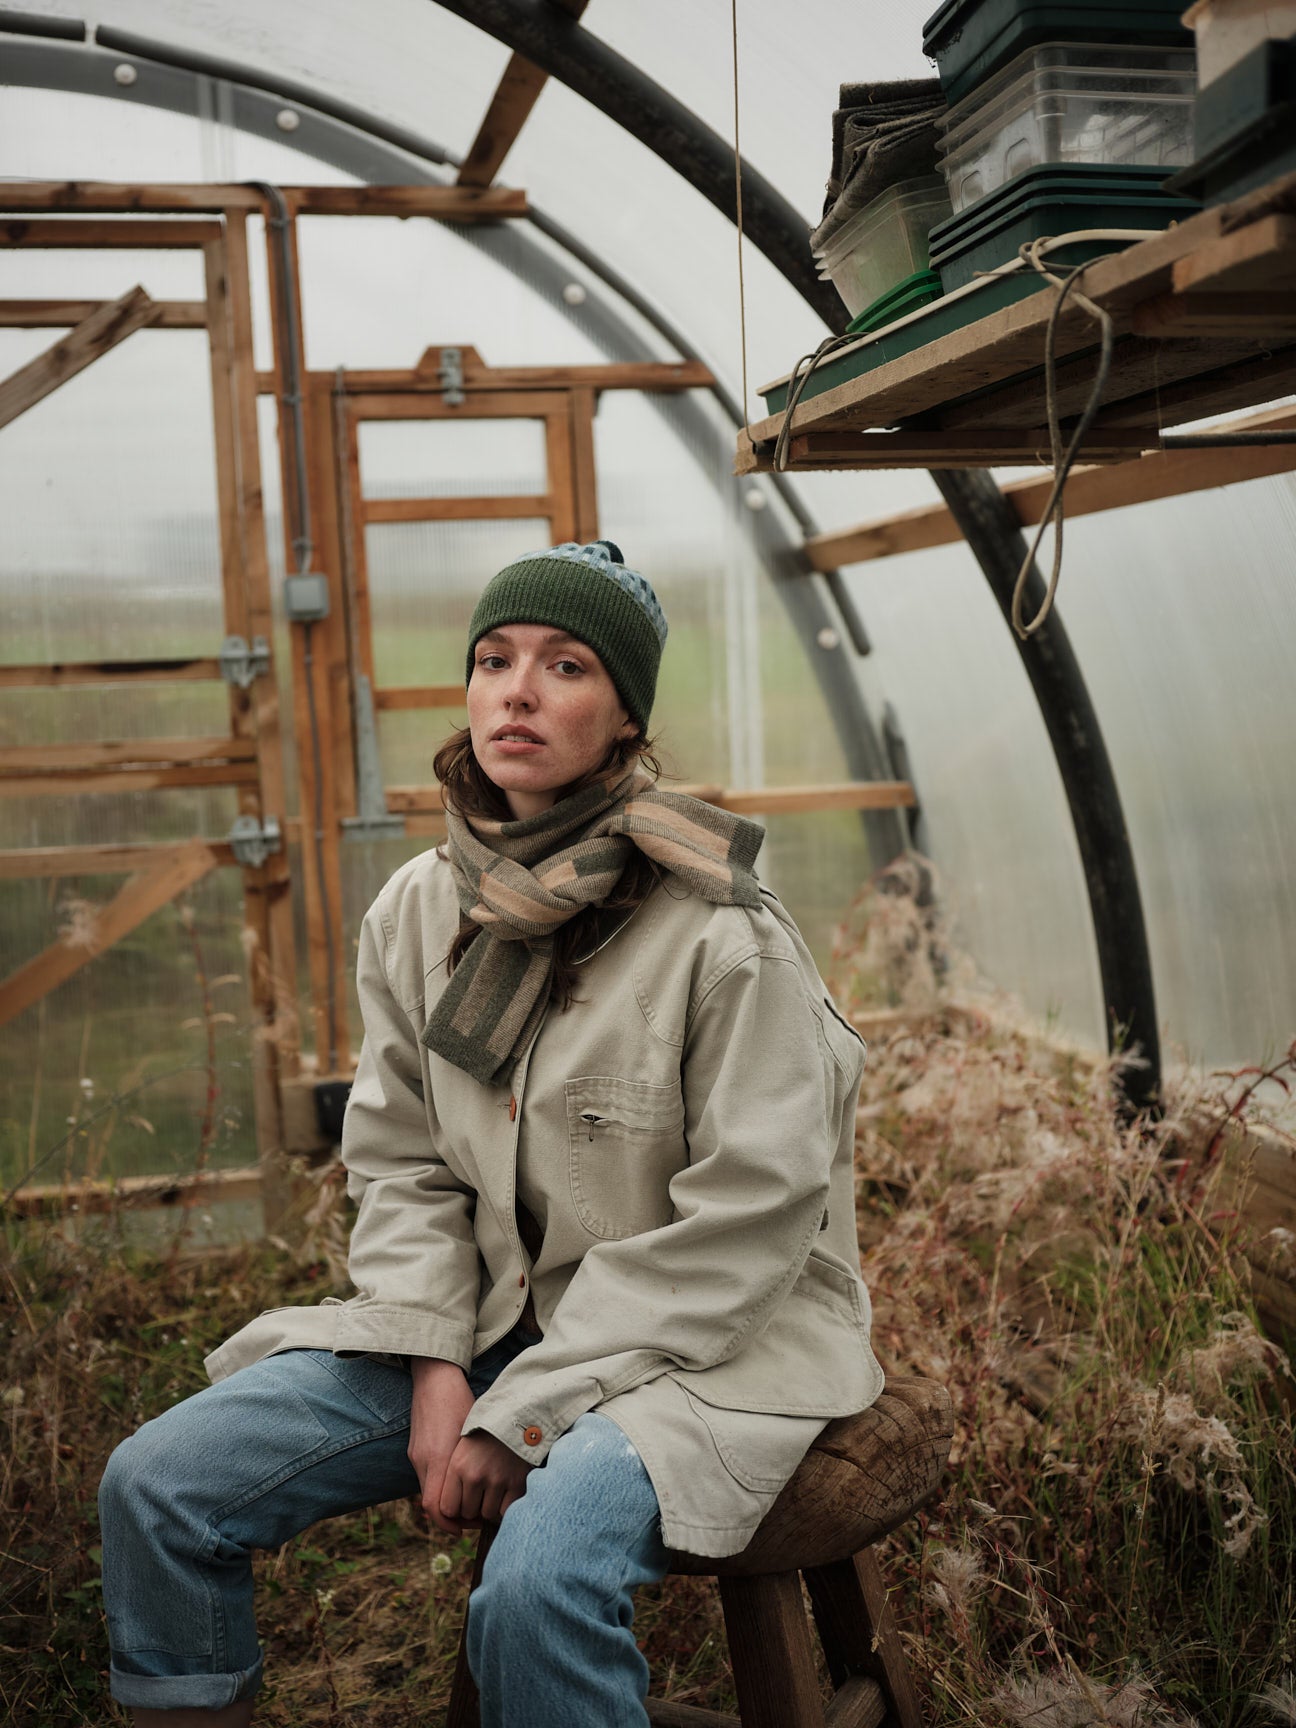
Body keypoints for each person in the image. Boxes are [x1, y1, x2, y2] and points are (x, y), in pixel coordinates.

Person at [98, 539, 885, 1728]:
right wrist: (430, 1361)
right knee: (156, 1487)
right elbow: (402, 1160)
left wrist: (524, 1413)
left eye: (566, 665)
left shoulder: (725, 932)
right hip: (483, 1325)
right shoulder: (422, 906)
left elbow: (748, 1225)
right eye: (494, 658)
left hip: (700, 1349)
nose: (517, 690)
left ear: (625, 719)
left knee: (537, 1589)